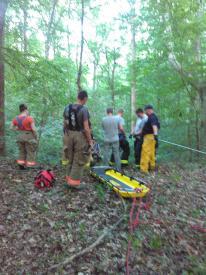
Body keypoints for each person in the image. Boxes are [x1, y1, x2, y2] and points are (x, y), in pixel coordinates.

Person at [63, 90, 92, 188]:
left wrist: (66, 135)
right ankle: (74, 183)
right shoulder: (84, 109)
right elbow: (86, 128)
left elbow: (65, 122)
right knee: (79, 159)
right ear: (84, 98)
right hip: (80, 135)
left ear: (77, 97)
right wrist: (90, 141)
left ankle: (68, 179)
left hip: (68, 134)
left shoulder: (67, 107)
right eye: (86, 100)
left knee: (69, 157)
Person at [10, 104, 38, 168]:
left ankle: (21, 165)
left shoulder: (16, 118)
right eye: (27, 110)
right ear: (25, 110)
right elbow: (33, 129)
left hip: (20, 135)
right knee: (30, 151)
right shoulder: (29, 118)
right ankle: (29, 166)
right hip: (29, 136)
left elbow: (11, 127)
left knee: (21, 151)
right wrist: (36, 136)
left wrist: (16, 129)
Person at [140, 105, 160, 173]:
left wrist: (155, 135)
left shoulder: (152, 117)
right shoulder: (153, 117)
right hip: (152, 136)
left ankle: (144, 169)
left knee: (145, 152)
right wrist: (155, 136)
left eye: (145, 111)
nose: (145, 112)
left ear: (148, 110)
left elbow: (154, 126)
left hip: (149, 137)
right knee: (151, 152)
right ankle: (152, 166)